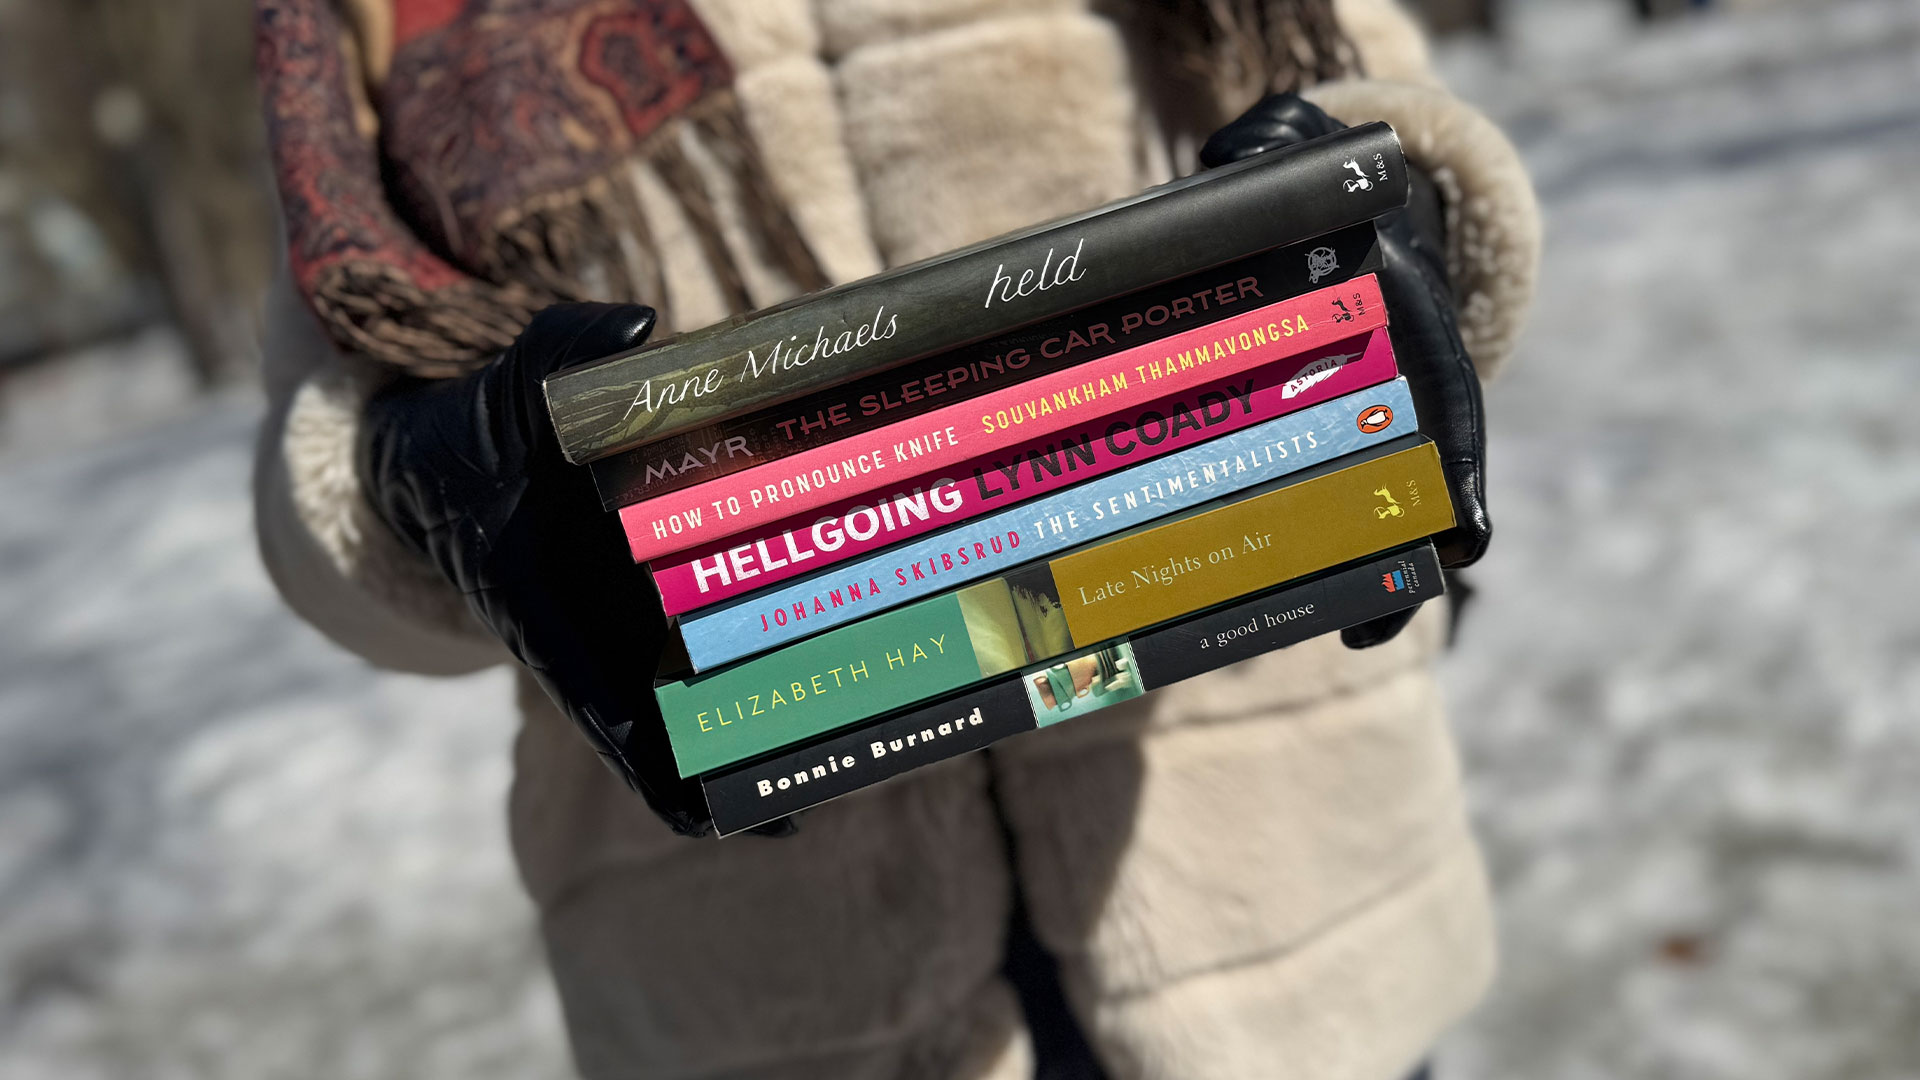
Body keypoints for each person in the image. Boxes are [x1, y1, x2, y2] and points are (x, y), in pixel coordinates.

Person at [252, 1, 1540, 1076]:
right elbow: (326, 466)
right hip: (766, 975)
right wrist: (422, 488)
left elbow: (1382, 106)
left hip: (1281, 880)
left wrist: (1394, 228)